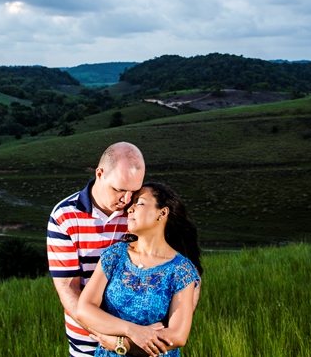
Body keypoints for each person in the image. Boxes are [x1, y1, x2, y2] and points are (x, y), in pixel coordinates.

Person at [76, 183, 203, 357]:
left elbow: (178, 336)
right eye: (131, 204)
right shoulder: (115, 255)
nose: (130, 209)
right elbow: (84, 309)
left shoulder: (181, 270)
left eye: (140, 203)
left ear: (162, 212)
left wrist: (122, 344)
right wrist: (132, 331)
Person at [47, 142, 146, 357]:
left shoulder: (142, 211)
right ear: (100, 174)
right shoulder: (64, 216)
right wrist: (105, 336)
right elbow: (68, 288)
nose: (127, 200)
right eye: (119, 189)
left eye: (134, 191)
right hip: (87, 343)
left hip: (142, 340)